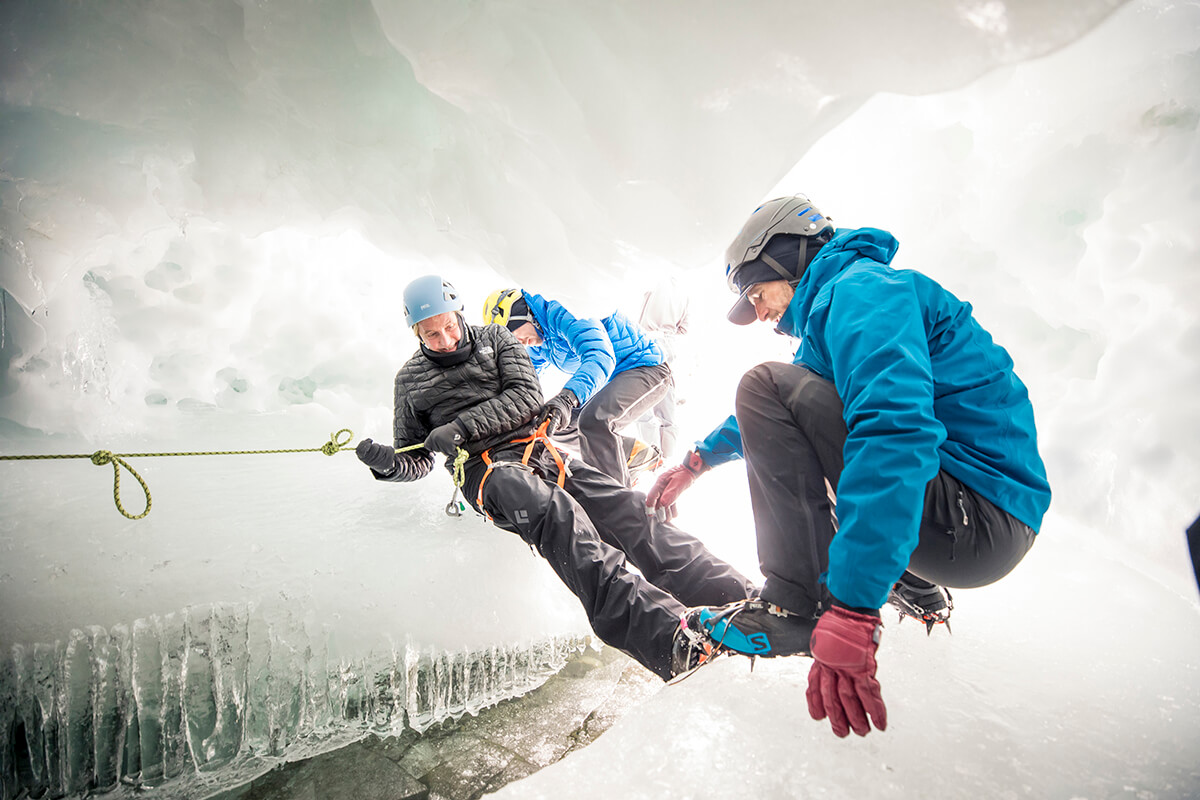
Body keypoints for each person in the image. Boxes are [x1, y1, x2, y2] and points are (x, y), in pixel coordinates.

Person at [646, 194, 1052, 737]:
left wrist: (855, 605)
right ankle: (917, 585)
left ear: (784, 257)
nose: (760, 314)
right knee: (791, 402)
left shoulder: (861, 294)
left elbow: (896, 435)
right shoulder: (845, 309)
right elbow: (799, 421)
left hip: (973, 520)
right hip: (981, 523)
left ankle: (795, 606)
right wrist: (697, 462)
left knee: (764, 385)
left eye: (755, 293)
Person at [355, 274, 753, 681]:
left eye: (450, 326)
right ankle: (671, 639)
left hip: (541, 450)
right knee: (561, 519)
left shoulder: (496, 339)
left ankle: (737, 598)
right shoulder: (409, 380)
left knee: (630, 512)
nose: (446, 340)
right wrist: (388, 466)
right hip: (488, 474)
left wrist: (461, 427)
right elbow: (417, 457)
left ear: (458, 313)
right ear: (416, 332)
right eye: (432, 334)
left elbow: (527, 398)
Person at [482, 287, 669, 487]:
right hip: (611, 379)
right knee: (551, 424)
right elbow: (525, 378)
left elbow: (600, 357)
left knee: (595, 421)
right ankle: (633, 456)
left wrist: (566, 398)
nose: (520, 343)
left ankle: (615, 499)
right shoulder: (539, 341)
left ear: (526, 317)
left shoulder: (565, 311)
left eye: (514, 333)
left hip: (646, 368)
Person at [634, 276, 690, 460]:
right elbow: (684, 328)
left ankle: (650, 460)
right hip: (669, 343)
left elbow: (637, 313)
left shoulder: (653, 278)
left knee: (643, 405)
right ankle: (667, 460)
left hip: (646, 341)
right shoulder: (683, 290)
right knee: (667, 406)